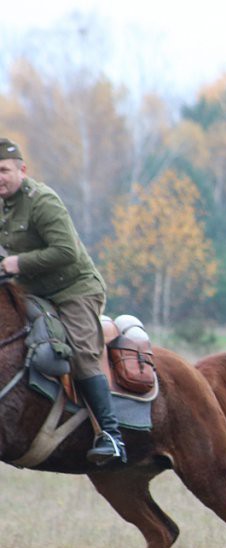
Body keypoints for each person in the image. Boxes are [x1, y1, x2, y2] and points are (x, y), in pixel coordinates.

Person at [0, 138, 126, 465]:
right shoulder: (2, 206)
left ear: (22, 170)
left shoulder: (42, 201)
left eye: (3, 170)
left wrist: (18, 264)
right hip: (32, 291)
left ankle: (111, 435)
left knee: (83, 353)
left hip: (75, 290)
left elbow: (66, 251)